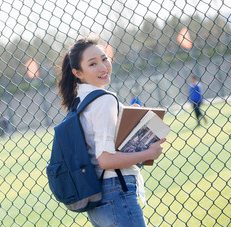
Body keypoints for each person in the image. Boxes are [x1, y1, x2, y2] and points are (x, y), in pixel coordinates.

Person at [57, 36, 165, 226]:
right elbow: (105, 159)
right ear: (78, 73)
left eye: (104, 59)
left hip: (99, 200)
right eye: (93, 64)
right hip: (116, 193)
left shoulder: (80, 103)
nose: (103, 67)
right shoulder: (104, 100)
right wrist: (149, 152)